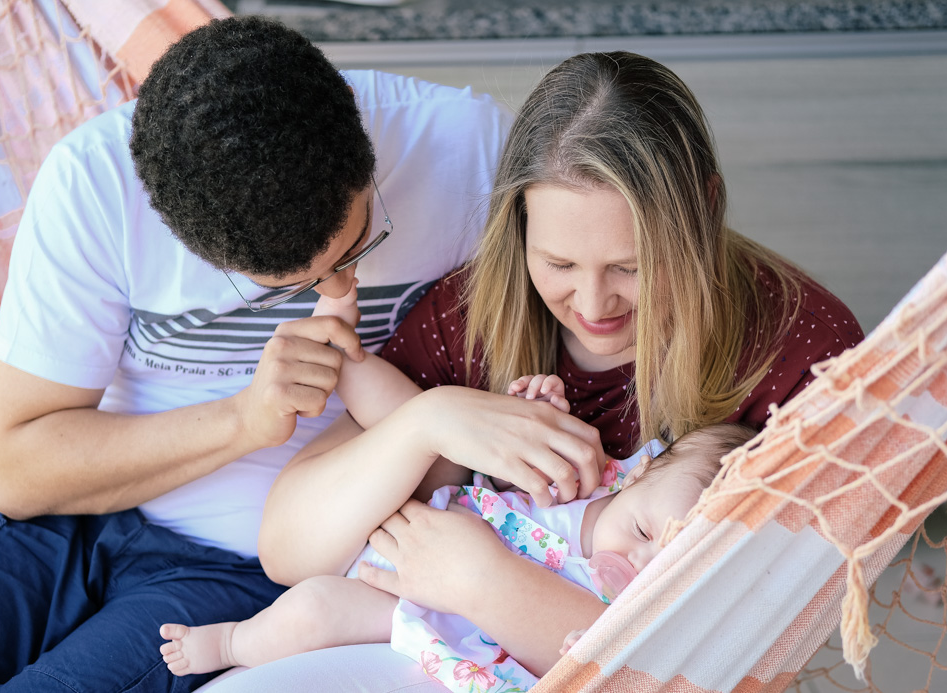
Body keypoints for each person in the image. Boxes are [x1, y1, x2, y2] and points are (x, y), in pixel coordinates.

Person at [0, 15, 512, 693]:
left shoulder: (473, 152)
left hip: (238, 568)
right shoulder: (95, 182)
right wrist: (245, 419)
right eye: (283, 288)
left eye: (358, 244)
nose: (338, 287)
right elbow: (18, 469)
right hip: (65, 524)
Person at [253, 50, 864, 686]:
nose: (595, 307)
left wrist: (486, 584)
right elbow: (290, 552)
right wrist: (428, 422)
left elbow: (727, 657)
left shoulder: (803, 355)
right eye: (560, 265)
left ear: (704, 209)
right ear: (518, 225)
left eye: (631, 266)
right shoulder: (475, 313)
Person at [158, 287, 755, 691]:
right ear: (643, 472)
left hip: (424, 608)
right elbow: (506, 470)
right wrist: (530, 412)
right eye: (647, 532)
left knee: (316, 609)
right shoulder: (593, 477)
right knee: (416, 417)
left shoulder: (632, 610)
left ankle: (233, 644)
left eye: (674, 562)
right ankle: (340, 348)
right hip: (427, 505)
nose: (642, 559)